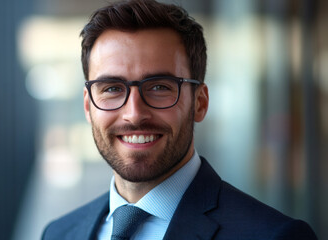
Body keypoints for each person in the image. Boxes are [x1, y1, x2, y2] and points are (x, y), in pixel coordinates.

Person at [42, 0, 318, 239]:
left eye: (160, 87)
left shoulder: (273, 236)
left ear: (200, 102)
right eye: (112, 89)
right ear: (88, 106)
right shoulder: (59, 234)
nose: (134, 113)